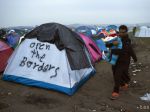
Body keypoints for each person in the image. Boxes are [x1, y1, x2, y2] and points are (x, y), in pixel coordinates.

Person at [107, 25, 137, 100]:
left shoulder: (127, 41)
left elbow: (125, 51)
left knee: (118, 75)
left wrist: (134, 57)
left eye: (123, 32)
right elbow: (109, 44)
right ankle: (123, 84)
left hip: (124, 61)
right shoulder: (117, 38)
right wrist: (110, 44)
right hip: (115, 60)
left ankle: (115, 92)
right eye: (120, 32)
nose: (121, 33)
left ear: (126, 32)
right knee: (115, 73)